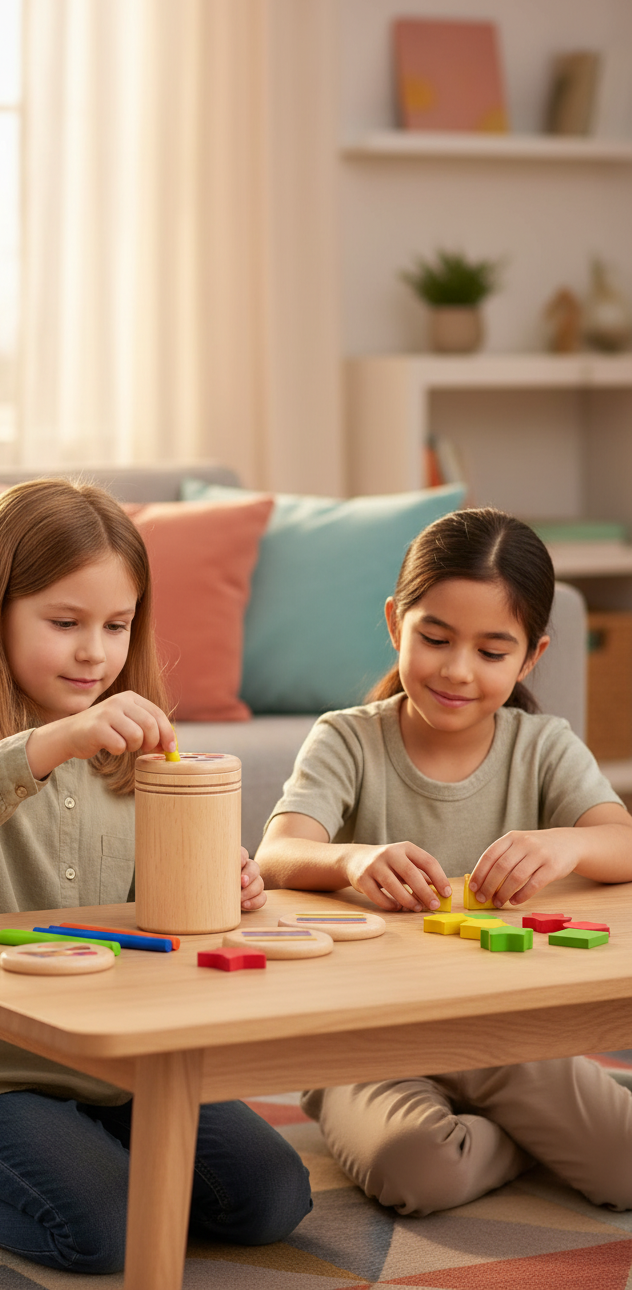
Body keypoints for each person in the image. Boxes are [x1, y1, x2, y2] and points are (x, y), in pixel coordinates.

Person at [0, 478, 311, 1273]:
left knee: (271, 1198)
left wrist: (222, 880)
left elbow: (160, 902)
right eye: (65, 622)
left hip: (124, 1066)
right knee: (106, 1232)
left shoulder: (134, 743)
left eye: (116, 625)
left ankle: (87, 1162)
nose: (94, 653)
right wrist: (55, 741)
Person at [256, 506, 632, 1218]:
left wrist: (568, 843)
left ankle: (528, 1127)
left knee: (627, 1172)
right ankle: (534, 1138)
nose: (457, 670)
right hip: (366, 1039)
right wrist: (352, 861)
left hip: (506, 1036)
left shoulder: (543, 745)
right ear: (395, 624)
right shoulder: (347, 740)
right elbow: (276, 853)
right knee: (419, 1174)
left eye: (492, 652)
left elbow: (624, 842)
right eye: (435, 639)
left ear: (531, 658)